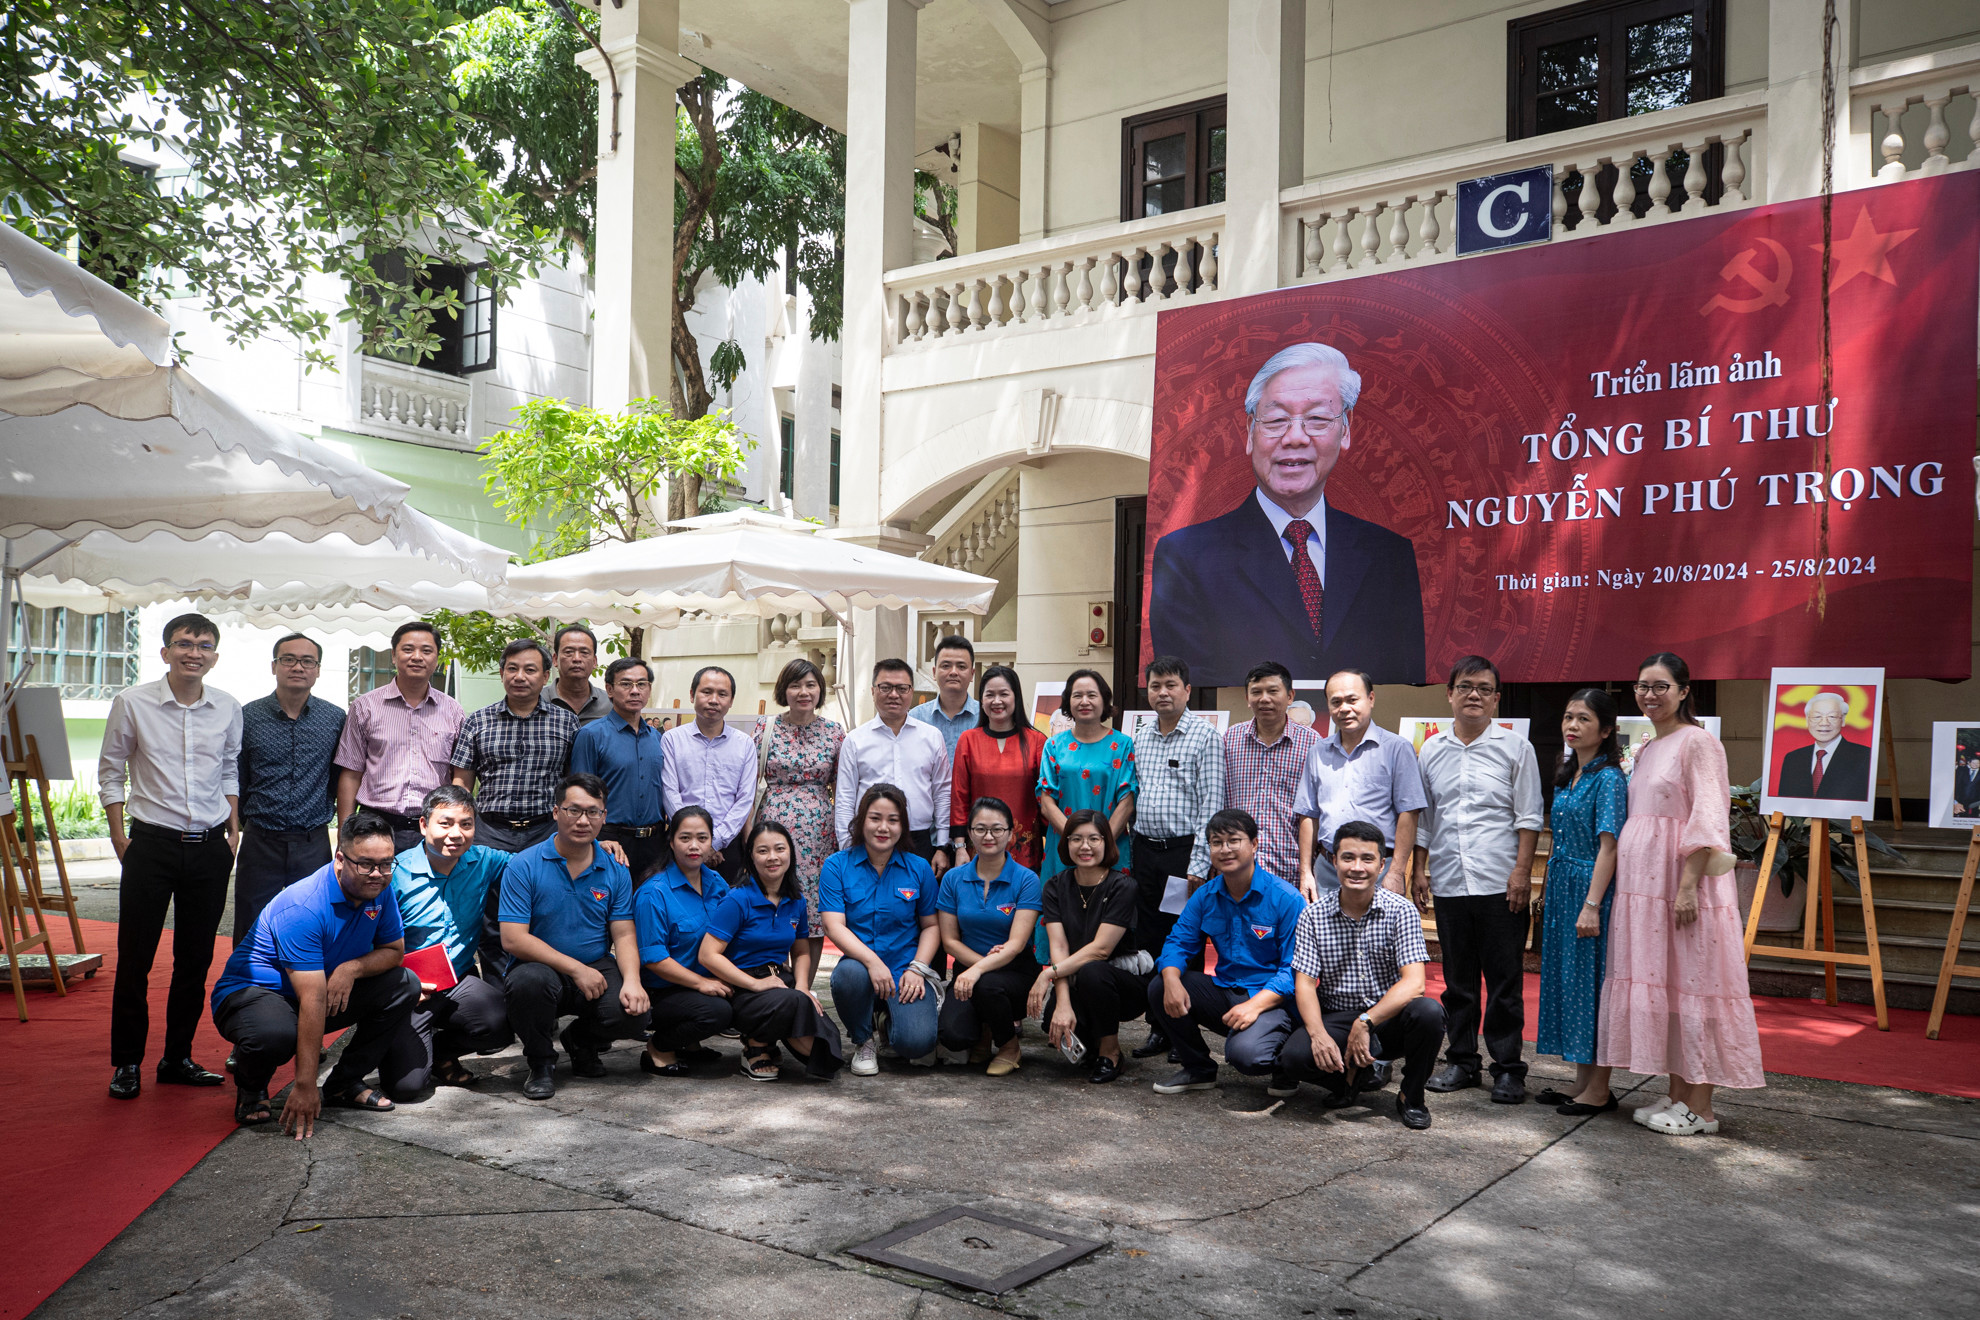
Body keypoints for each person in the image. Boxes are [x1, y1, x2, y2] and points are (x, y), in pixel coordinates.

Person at [1147, 341, 1426, 687]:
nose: (1295, 438)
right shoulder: (1187, 555)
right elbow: (1188, 690)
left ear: (1346, 428)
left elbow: (1406, 680)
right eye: (1277, 420)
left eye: (1317, 419)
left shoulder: (1388, 554)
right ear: (1250, 431)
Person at [1601, 653, 1764, 1135]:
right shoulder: (1651, 746)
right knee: (1671, 987)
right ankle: (1677, 1094)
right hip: (1645, 890)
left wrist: (1689, 886)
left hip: (1681, 887)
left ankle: (1703, 1108)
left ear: (1684, 690)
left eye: (1660, 686)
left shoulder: (1699, 743)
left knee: (1698, 985)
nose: (1649, 695)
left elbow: (1709, 819)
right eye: (1642, 686)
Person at [100, 612, 242, 1101]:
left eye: (203, 645)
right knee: (136, 959)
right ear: (165, 652)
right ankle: (126, 1063)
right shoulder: (132, 703)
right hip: (150, 846)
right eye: (184, 643)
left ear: (214, 656)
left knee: (195, 960)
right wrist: (120, 838)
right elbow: (111, 771)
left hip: (209, 848)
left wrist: (233, 829)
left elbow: (229, 770)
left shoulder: (227, 707)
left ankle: (176, 1057)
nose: (193, 652)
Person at [210, 810, 417, 1132]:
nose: (377, 873)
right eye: (366, 864)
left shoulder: (379, 888)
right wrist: (304, 1085)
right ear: (340, 859)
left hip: (319, 986)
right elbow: (313, 998)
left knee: (404, 984)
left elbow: (394, 953)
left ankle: (343, 1083)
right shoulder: (303, 906)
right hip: (256, 993)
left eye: (386, 863)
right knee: (274, 1036)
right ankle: (252, 1087)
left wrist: (351, 968)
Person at [1416, 655, 1543, 1105]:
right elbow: (1426, 820)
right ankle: (1463, 1062)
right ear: (1449, 694)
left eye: (1484, 689)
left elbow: (1529, 817)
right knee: (1458, 982)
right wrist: (1418, 870)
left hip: (1500, 882)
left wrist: (1523, 874)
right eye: (1466, 686)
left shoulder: (1516, 749)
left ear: (1496, 699)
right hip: (1449, 881)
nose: (1474, 695)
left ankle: (1508, 1069)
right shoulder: (1431, 750)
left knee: (1505, 982)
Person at [1279, 821, 1444, 1130]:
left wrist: (1365, 1021)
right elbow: (1304, 983)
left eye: (1367, 859)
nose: (1357, 867)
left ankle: (1412, 1095)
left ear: (1381, 864)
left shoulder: (1401, 911)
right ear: (1333, 861)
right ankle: (1349, 1079)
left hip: (1388, 1016)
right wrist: (1317, 1035)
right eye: (1348, 858)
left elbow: (1414, 983)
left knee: (1429, 1013)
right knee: (1294, 1057)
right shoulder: (1312, 915)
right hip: (1338, 1013)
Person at [498, 773, 649, 1100]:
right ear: (556, 812)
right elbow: (513, 939)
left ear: (604, 817)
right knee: (528, 985)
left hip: (595, 962)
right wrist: (575, 969)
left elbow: (623, 934)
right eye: (573, 810)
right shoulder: (524, 865)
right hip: (539, 966)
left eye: (593, 812)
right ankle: (540, 1062)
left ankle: (581, 1041)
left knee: (635, 1012)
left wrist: (634, 980)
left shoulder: (615, 868)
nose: (583, 820)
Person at [1145, 808, 1305, 1095]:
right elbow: (1178, 942)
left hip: (1272, 999)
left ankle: (1285, 1063)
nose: (1225, 849)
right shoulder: (1206, 895)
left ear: (1254, 845)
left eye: (1234, 840)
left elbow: (1295, 970)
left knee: (1247, 1056)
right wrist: (1171, 980)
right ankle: (1199, 1069)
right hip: (1227, 990)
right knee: (1159, 986)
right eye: (1216, 842)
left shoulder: (1286, 898)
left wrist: (1254, 1007)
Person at [377, 786, 514, 1098]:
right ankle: (399, 1046)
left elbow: (537, 861)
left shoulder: (484, 861)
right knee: (407, 1088)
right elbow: (370, 944)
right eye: (445, 823)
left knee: (501, 1023)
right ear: (424, 825)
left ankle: (441, 1053)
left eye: (466, 824)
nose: (456, 833)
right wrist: (400, 984)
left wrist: (594, 845)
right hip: (407, 990)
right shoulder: (394, 874)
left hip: (457, 982)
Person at [1534, 688, 1628, 1116]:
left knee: (1591, 985)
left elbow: (1609, 847)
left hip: (1591, 889)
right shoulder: (1571, 769)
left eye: (1584, 719)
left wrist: (1591, 904)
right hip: (1562, 885)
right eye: (1569, 717)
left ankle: (1601, 1088)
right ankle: (1582, 1081)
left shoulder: (1609, 778)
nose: (1572, 726)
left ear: (1606, 730)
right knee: (1570, 983)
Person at [700, 821, 844, 1081]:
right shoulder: (737, 899)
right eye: (762, 851)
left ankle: (768, 1039)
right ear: (751, 857)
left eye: (780, 849)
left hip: (780, 982)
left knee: (829, 1050)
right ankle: (755, 1045)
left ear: (790, 852)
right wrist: (755, 985)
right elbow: (708, 955)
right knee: (792, 1003)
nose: (772, 857)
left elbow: (800, 952)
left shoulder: (796, 900)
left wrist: (802, 985)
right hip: (742, 987)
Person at [821, 784, 941, 1075]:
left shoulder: (919, 868)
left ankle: (887, 1022)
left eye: (893, 820)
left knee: (916, 1045)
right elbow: (833, 925)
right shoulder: (837, 865)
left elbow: (931, 925)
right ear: (861, 820)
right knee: (848, 975)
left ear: (904, 826)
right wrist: (872, 961)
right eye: (875, 818)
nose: (883, 827)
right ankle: (863, 1040)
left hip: (904, 968)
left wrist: (918, 968)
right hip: (860, 965)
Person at [233, 632, 345, 940]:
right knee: (250, 923)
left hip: (312, 842)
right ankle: (247, 986)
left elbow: (339, 776)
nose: (298, 667)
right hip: (261, 841)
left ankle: (305, 988)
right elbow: (237, 777)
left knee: (312, 923)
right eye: (288, 659)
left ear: (317, 670)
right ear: (274, 666)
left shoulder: (335, 718)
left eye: (307, 661)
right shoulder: (248, 716)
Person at [1028, 811, 1145, 1084]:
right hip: (1078, 979)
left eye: (1094, 838)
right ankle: (1091, 1042)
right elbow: (1058, 946)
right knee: (1052, 1020)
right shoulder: (1055, 886)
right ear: (1065, 843)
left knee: (1094, 970)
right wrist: (1063, 1005)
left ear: (1107, 843)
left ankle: (1111, 1051)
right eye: (1076, 838)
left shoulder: (1123, 886)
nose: (1085, 846)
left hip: (1121, 982)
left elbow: (1101, 950)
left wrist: (1047, 974)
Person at [334, 620, 465, 854]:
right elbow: (351, 773)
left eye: (426, 651)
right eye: (407, 649)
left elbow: (460, 776)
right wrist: (345, 834)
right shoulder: (365, 707)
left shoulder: (453, 711)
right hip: (375, 824)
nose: (417, 657)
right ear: (394, 656)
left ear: (437, 658)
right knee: (373, 888)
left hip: (433, 828)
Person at [1293, 669, 1425, 899]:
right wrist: (1306, 872)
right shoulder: (1317, 752)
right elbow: (1308, 815)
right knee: (1328, 935)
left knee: (1378, 935)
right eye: (1336, 702)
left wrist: (1396, 872)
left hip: (1378, 871)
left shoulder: (1396, 748)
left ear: (1370, 699)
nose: (1344, 708)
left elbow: (1409, 813)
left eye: (1352, 699)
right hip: (1328, 870)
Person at [936, 797, 1044, 1075]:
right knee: (953, 1036)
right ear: (969, 832)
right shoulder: (953, 879)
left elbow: (1017, 944)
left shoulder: (1027, 879)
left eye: (997, 829)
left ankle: (1009, 1046)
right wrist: (977, 968)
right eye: (980, 828)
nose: (989, 836)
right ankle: (982, 1030)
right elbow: (949, 941)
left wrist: (978, 972)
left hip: (1014, 972)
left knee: (987, 986)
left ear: (1010, 833)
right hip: (967, 969)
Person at [1129, 656, 1222, 963]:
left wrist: (1198, 863)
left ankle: (1182, 1006)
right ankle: (1153, 1006)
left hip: (1181, 854)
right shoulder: (1141, 738)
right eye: (1155, 686)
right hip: (1144, 851)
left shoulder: (1205, 736)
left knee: (1183, 931)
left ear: (1187, 690)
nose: (1162, 693)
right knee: (1148, 930)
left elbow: (1212, 802)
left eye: (1171, 685)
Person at [754, 657, 845, 968]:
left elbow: (842, 785)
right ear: (784, 690)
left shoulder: (834, 732)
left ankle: (805, 980)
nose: (803, 692)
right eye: (795, 685)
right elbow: (749, 779)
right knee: (773, 896)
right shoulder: (766, 728)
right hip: (773, 825)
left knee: (811, 905)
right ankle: (775, 970)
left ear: (820, 690)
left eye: (810, 685)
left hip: (819, 833)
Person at [634, 806, 736, 1077]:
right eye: (685, 838)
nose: (694, 846)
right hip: (662, 991)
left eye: (702, 838)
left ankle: (689, 1044)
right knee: (717, 1012)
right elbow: (654, 959)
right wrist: (703, 983)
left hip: (703, 983)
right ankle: (658, 1047)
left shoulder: (717, 883)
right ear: (670, 841)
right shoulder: (653, 892)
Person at [449, 638, 577, 853]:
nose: (520, 677)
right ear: (502, 673)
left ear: (545, 676)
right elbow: (462, 781)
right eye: (512, 669)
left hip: (546, 831)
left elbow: (573, 779)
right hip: (489, 832)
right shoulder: (478, 721)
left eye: (530, 670)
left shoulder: (567, 722)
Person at [835, 659, 952, 871]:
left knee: (919, 902)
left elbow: (942, 792)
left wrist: (942, 846)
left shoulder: (932, 737)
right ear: (873, 691)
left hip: (920, 840)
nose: (894, 694)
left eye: (901, 688)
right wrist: (847, 848)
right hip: (870, 841)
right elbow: (845, 797)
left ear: (911, 691)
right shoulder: (855, 740)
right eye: (885, 687)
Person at [1037, 669, 1138, 899]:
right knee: (1060, 911)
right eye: (1077, 695)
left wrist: (1099, 844)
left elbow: (1127, 801)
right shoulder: (1053, 745)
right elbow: (1046, 802)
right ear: (1068, 702)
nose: (1084, 701)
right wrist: (1077, 842)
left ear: (1104, 700)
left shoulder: (1123, 744)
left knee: (1109, 913)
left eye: (1092, 695)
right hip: (1064, 846)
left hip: (1110, 848)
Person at [570, 657, 669, 883]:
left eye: (641, 684)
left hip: (654, 842)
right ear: (610, 690)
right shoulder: (591, 735)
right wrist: (594, 841)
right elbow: (580, 796)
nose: (635, 691)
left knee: (649, 908)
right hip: (610, 841)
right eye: (626, 684)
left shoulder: (658, 738)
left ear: (649, 689)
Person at [1223, 661, 1318, 885]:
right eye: (1256, 692)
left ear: (1290, 696)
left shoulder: (1312, 742)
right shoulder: (1230, 739)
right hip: (1239, 866)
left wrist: (1307, 870)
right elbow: (1224, 803)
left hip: (1290, 866)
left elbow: (1316, 809)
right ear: (1247, 698)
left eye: (1273, 691)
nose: (1264, 698)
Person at [660, 666, 757, 882]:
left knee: (728, 908)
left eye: (722, 694)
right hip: (681, 844)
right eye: (707, 692)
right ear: (692, 695)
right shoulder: (672, 740)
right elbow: (669, 792)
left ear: (731, 700)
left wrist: (714, 842)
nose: (714, 700)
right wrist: (694, 838)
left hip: (728, 847)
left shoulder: (744, 744)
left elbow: (745, 799)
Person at [950, 665, 1044, 871]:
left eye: (1004, 694)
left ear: (1016, 697)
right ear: (981, 700)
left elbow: (1045, 798)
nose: (997, 701)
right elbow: (959, 797)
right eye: (989, 695)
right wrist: (960, 847)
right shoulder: (968, 740)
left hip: (1025, 847)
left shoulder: (1037, 741)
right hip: (979, 846)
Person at [1776, 691, 1873, 801]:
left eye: (1832, 716)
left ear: (1843, 720)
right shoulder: (1793, 758)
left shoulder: (1865, 756)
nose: (1824, 723)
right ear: (1807, 720)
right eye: (1817, 716)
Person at [909, 634, 980, 759]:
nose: (953, 672)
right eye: (946, 666)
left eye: (961, 666)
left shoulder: (985, 717)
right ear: (934, 672)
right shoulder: (915, 718)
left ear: (972, 674)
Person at [548, 625, 611, 725]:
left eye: (584, 652)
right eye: (568, 652)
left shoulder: (610, 704)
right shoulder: (537, 700)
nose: (577, 658)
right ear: (555, 659)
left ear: (594, 661)